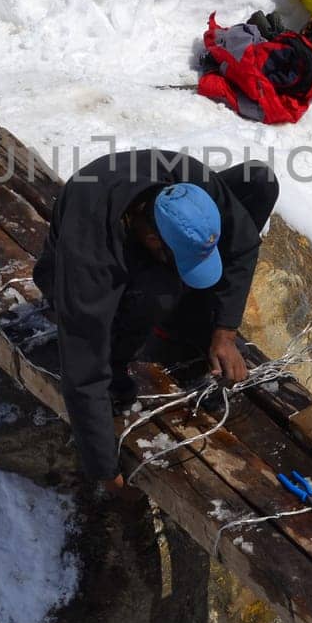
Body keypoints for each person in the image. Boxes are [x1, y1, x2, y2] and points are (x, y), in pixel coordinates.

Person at [32, 149, 279, 495]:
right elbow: (83, 369)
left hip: (145, 233)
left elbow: (242, 246)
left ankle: (188, 312)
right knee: (157, 293)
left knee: (259, 181)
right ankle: (154, 335)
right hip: (68, 274)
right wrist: (105, 470)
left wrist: (225, 331)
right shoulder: (90, 252)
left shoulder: (191, 184)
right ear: (152, 241)